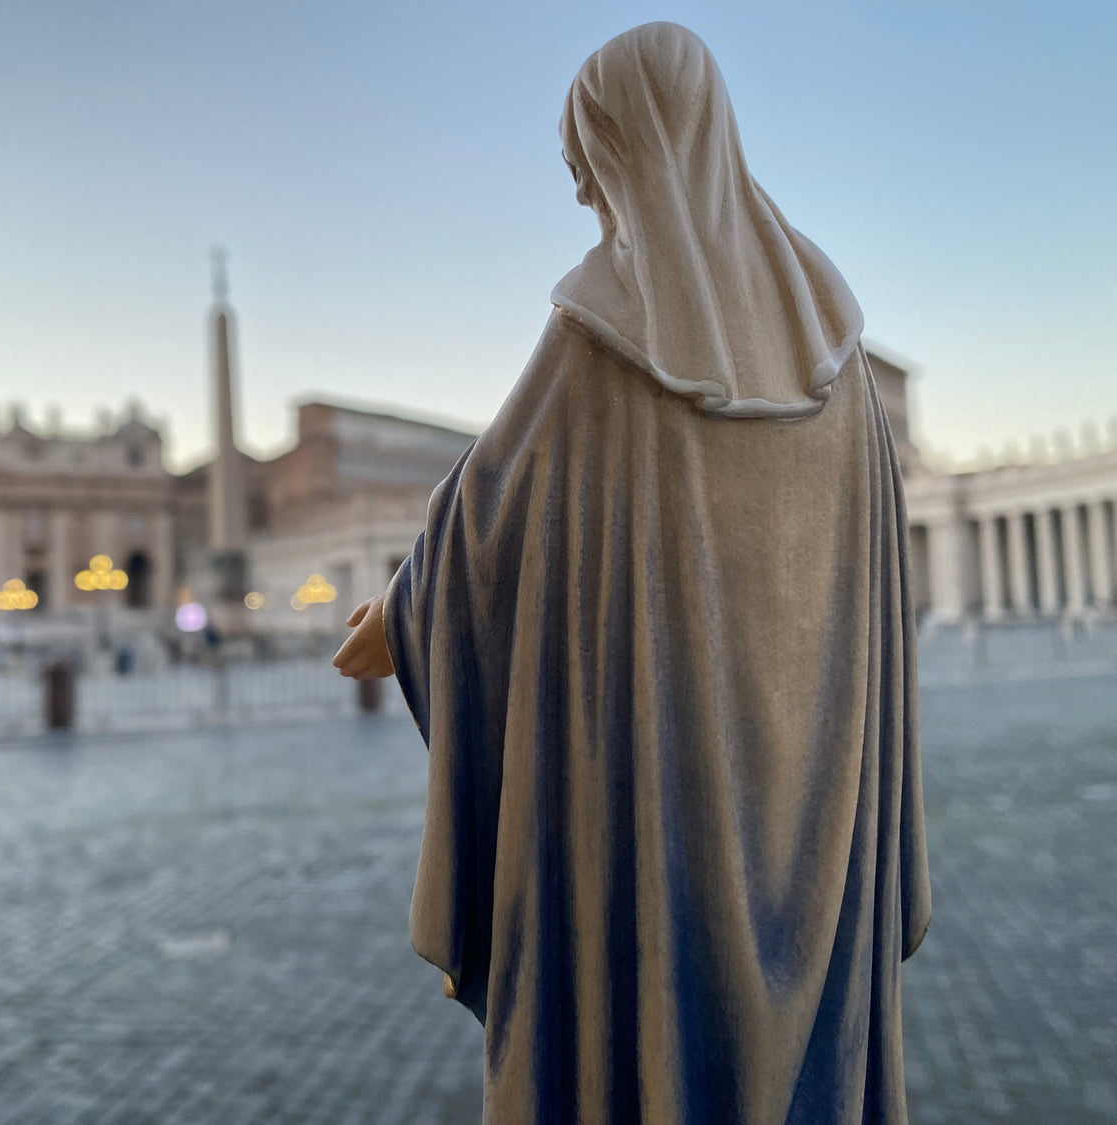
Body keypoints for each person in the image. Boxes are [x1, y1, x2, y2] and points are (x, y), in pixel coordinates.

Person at [334, 22, 930, 1125]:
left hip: (658, 796)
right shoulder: (836, 347)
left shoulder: (601, 335)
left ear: (636, 147)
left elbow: (482, 521)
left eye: (584, 165)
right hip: (816, 794)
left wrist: (403, 618)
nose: (580, 199)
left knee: (644, 1039)